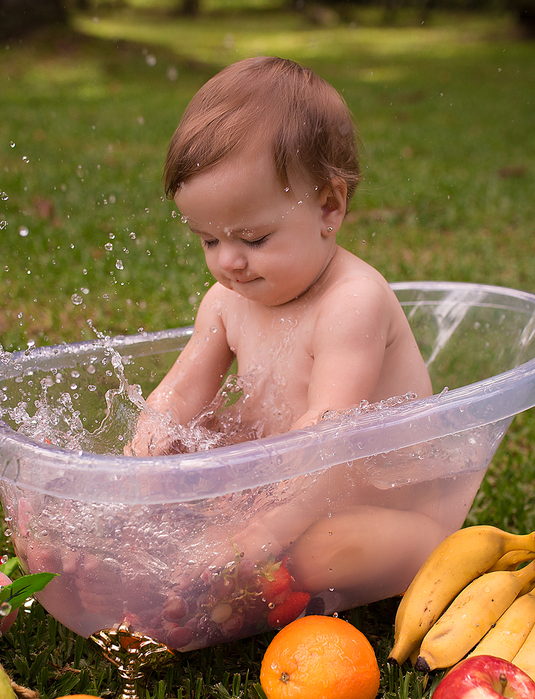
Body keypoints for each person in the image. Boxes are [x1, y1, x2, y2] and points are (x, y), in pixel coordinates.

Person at [128, 55, 432, 458]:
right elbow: (180, 393)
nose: (229, 261)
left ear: (328, 207)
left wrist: (266, 522)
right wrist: (143, 454)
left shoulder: (351, 304)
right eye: (209, 241)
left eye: (253, 239)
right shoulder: (225, 304)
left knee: (332, 525)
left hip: (377, 497)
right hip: (283, 477)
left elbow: (327, 436)